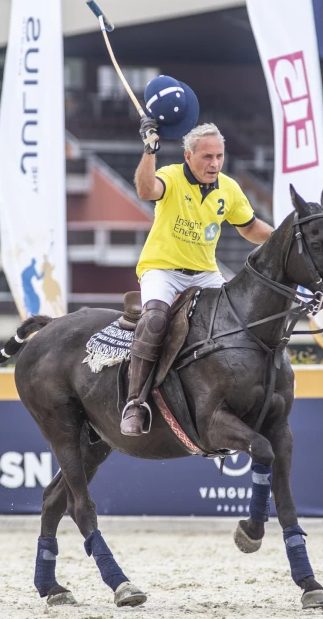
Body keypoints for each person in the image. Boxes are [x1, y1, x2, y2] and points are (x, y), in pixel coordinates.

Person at [121, 75, 274, 436]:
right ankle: (134, 403)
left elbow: (250, 228)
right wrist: (149, 150)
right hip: (163, 270)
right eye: (207, 156)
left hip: (205, 273)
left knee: (238, 320)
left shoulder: (229, 189)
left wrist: (287, 235)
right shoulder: (172, 177)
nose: (215, 163)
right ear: (188, 155)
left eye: (219, 156)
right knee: (156, 319)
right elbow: (145, 189)